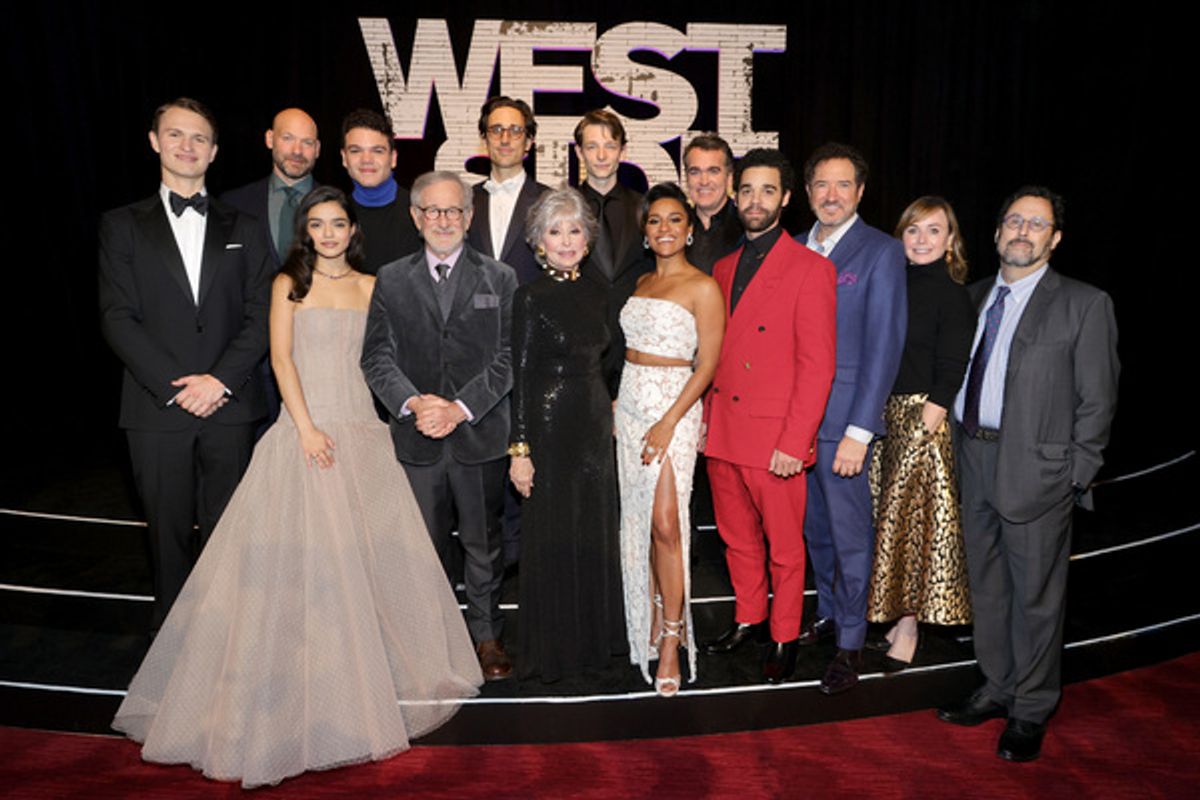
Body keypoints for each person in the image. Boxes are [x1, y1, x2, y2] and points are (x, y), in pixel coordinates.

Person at [113, 187, 482, 788]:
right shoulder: (288, 284)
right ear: (305, 232)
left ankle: (358, 681)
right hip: (305, 434)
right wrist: (306, 429)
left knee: (366, 565)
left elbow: (386, 360)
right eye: (317, 224)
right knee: (297, 572)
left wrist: (421, 402)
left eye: (338, 223)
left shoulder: (374, 287)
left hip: (363, 433)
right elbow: (281, 360)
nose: (329, 233)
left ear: (353, 231)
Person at [937, 187, 1118, 763]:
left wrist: (1075, 474)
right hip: (972, 458)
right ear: (997, 233)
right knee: (988, 588)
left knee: (1036, 598)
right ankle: (997, 685)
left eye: (1036, 224)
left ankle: (1031, 708)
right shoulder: (971, 298)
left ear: (1054, 238)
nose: (1022, 231)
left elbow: (1098, 399)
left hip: (1039, 473)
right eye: (1013, 221)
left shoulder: (1084, 304)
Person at [98, 98, 272, 630]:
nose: (187, 146)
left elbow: (262, 313)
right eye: (175, 134)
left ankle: (227, 638)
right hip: (157, 409)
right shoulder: (121, 225)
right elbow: (117, 317)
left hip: (230, 406)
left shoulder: (247, 226)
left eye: (199, 137)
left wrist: (219, 381)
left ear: (214, 151)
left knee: (230, 533)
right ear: (155, 142)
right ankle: (172, 643)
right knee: (166, 534)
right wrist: (177, 388)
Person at [362, 171, 517, 682]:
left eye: (453, 210)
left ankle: (486, 637)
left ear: (469, 217)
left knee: (482, 544)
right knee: (421, 546)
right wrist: (414, 404)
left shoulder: (500, 278)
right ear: (415, 216)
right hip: (416, 436)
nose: (443, 220)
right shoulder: (390, 278)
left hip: (478, 434)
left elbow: (508, 358)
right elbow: (376, 357)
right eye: (432, 210)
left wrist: (458, 408)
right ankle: (430, 638)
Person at [702, 149, 837, 684]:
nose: (755, 200)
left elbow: (817, 366)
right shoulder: (722, 267)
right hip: (724, 431)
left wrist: (796, 441)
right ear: (734, 197)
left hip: (775, 438)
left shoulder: (811, 268)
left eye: (767, 190)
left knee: (784, 548)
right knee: (737, 538)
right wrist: (706, 419)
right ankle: (749, 617)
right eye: (747, 190)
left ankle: (784, 634)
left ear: (785, 198)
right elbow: (714, 354)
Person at [795, 142, 907, 695]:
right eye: (822, 184)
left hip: (844, 427)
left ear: (860, 192)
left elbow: (884, 346)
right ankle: (830, 614)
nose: (832, 194)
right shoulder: (793, 247)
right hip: (796, 425)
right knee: (815, 532)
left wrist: (860, 431)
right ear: (808, 191)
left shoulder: (880, 252)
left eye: (843, 184)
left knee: (850, 538)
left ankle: (852, 641)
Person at [508, 187, 628, 682]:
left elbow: (612, 359)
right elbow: (519, 375)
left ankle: (595, 646)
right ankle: (554, 652)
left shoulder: (601, 292)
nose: (565, 240)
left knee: (594, 531)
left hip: (594, 427)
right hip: (548, 429)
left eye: (574, 230)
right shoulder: (530, 297)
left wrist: (614, 404)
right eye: (554, 232)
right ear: (539, 241)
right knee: (554, 536)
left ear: (586, 238)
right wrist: (520, 449)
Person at [615, 183, 724, 695]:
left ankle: (673, 640)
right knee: (640, 519)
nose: (664, 228)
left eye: (675, 219)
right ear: (644, 231)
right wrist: (621, 405)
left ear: (690, 228)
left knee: (667, 523)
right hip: (631, 405)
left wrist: (668, 421)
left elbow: (707, 365)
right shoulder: (639, 282)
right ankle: (653, 615)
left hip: (673, 409)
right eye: (655, 220)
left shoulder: (703, 287)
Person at [866, 196, 976, 669]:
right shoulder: (892, 285)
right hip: (882, 417)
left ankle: (909, 627)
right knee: (887, 524)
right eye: (913, 229)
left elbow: (952, 368)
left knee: (911, 526)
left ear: (950, 241)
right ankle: (895, 616)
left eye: (934, 230)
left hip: (921, 420)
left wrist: (924, 427)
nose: (922, 239)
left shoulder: (952, 294)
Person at [574, 109, 652, 398]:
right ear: (579, 152)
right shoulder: (564, 207)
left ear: (623, 151)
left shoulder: (644, 207)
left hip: (634, 345)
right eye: (592, 146)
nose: (601, 156)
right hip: (580, 345)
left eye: (610, 146)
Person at [222, 107, 320, 267]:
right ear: (269, 139)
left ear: (317, 149)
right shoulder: (233, 205)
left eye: (307, 142)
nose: (297, 151)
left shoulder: (339, 206)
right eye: (288, 138)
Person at [467, 96, 549, 286]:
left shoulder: (549, 201)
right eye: (496, 130)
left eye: (515, 131)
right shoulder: (465, 200)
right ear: (485, 140)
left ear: (528, 142)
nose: (505, 139)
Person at [340, 108, 422, 273]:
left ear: (393, 158)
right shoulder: (334, 216)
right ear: (344, 158)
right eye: (356, 151)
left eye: (377, 151)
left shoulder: (422, 214)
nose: (366, 160)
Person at [682, 133, 743, 274]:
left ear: (729, 177)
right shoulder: (676, 227)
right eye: (695, 172)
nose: (704, 181)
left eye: (713, 171)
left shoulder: (746, 227)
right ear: (686, 178)